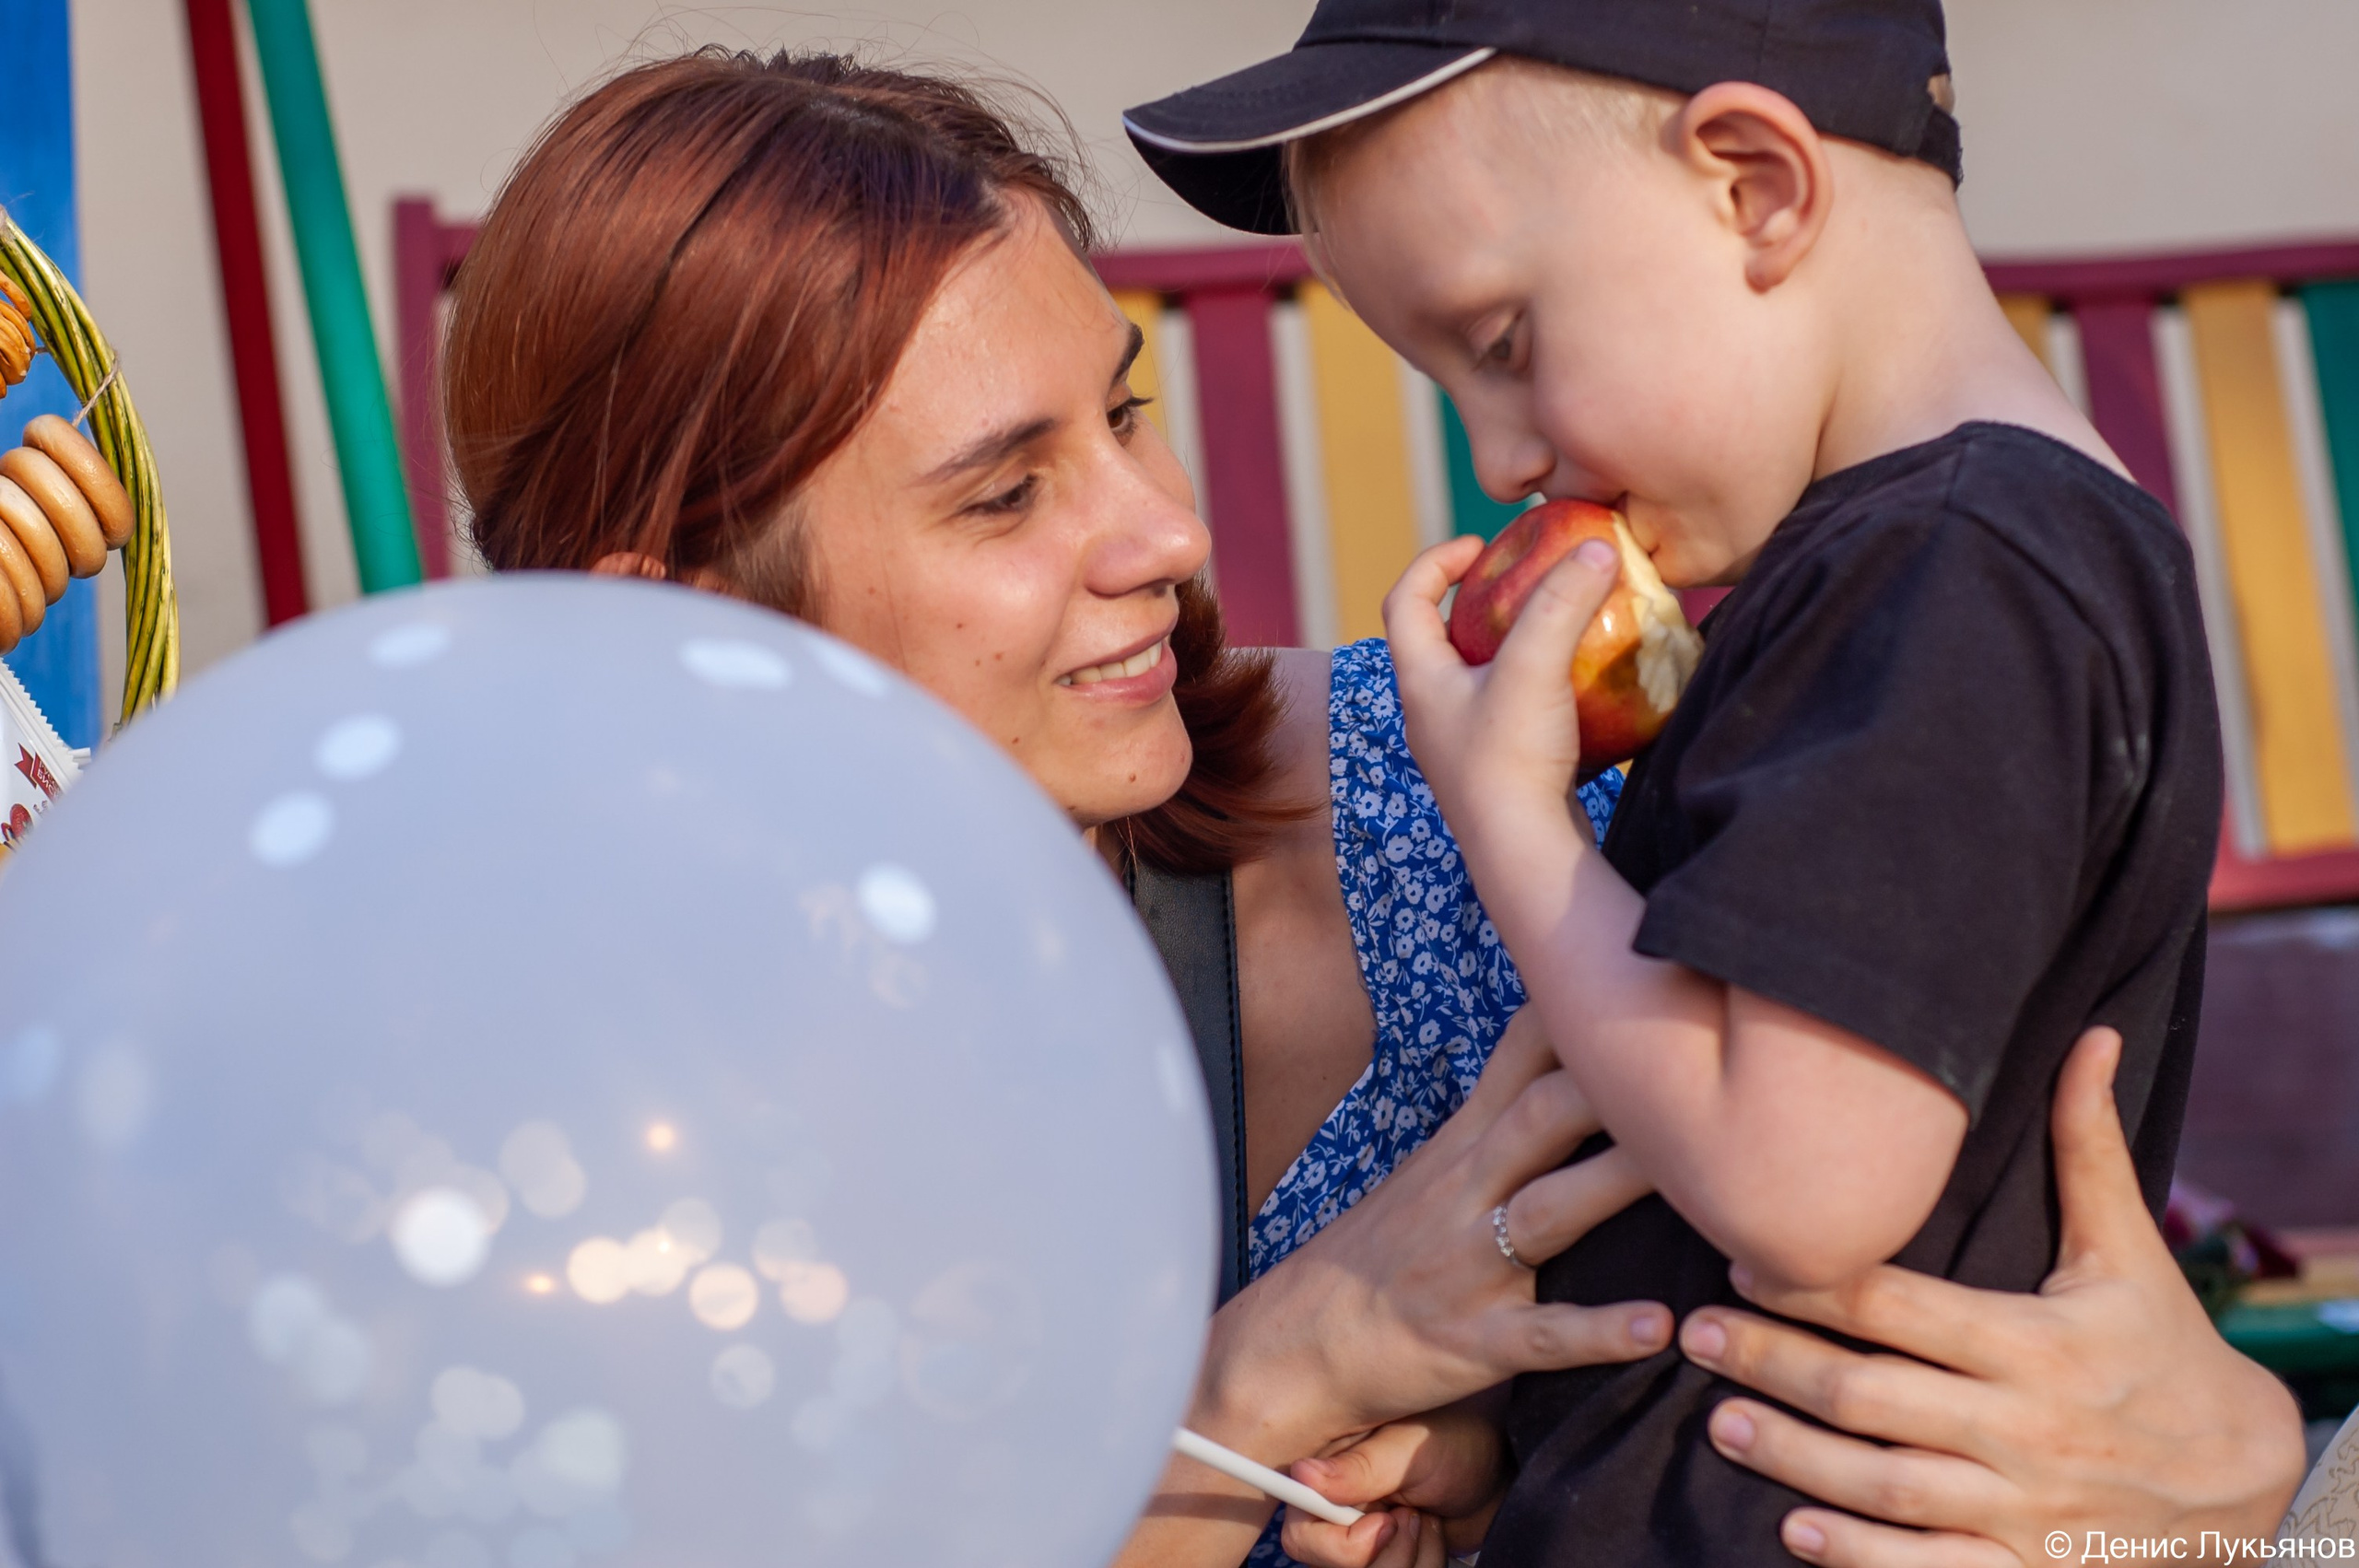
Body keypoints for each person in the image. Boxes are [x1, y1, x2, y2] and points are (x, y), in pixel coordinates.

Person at [441, 47, 2309, 1568]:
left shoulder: (1506, 798)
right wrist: (1267, 1381)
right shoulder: (579, 1155)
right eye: (1004, 496)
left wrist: (2237, 1501)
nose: (1165, 536)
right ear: (700, 633)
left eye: (1126, 410)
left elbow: (1921, 1290)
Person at [1125, 0, 2259, 1562]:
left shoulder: (1947, 579)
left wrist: (1509, 813)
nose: (1500, 455)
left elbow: (1801, 1181)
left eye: (1505, 344)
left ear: (1756, 187)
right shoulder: (1928, 566)